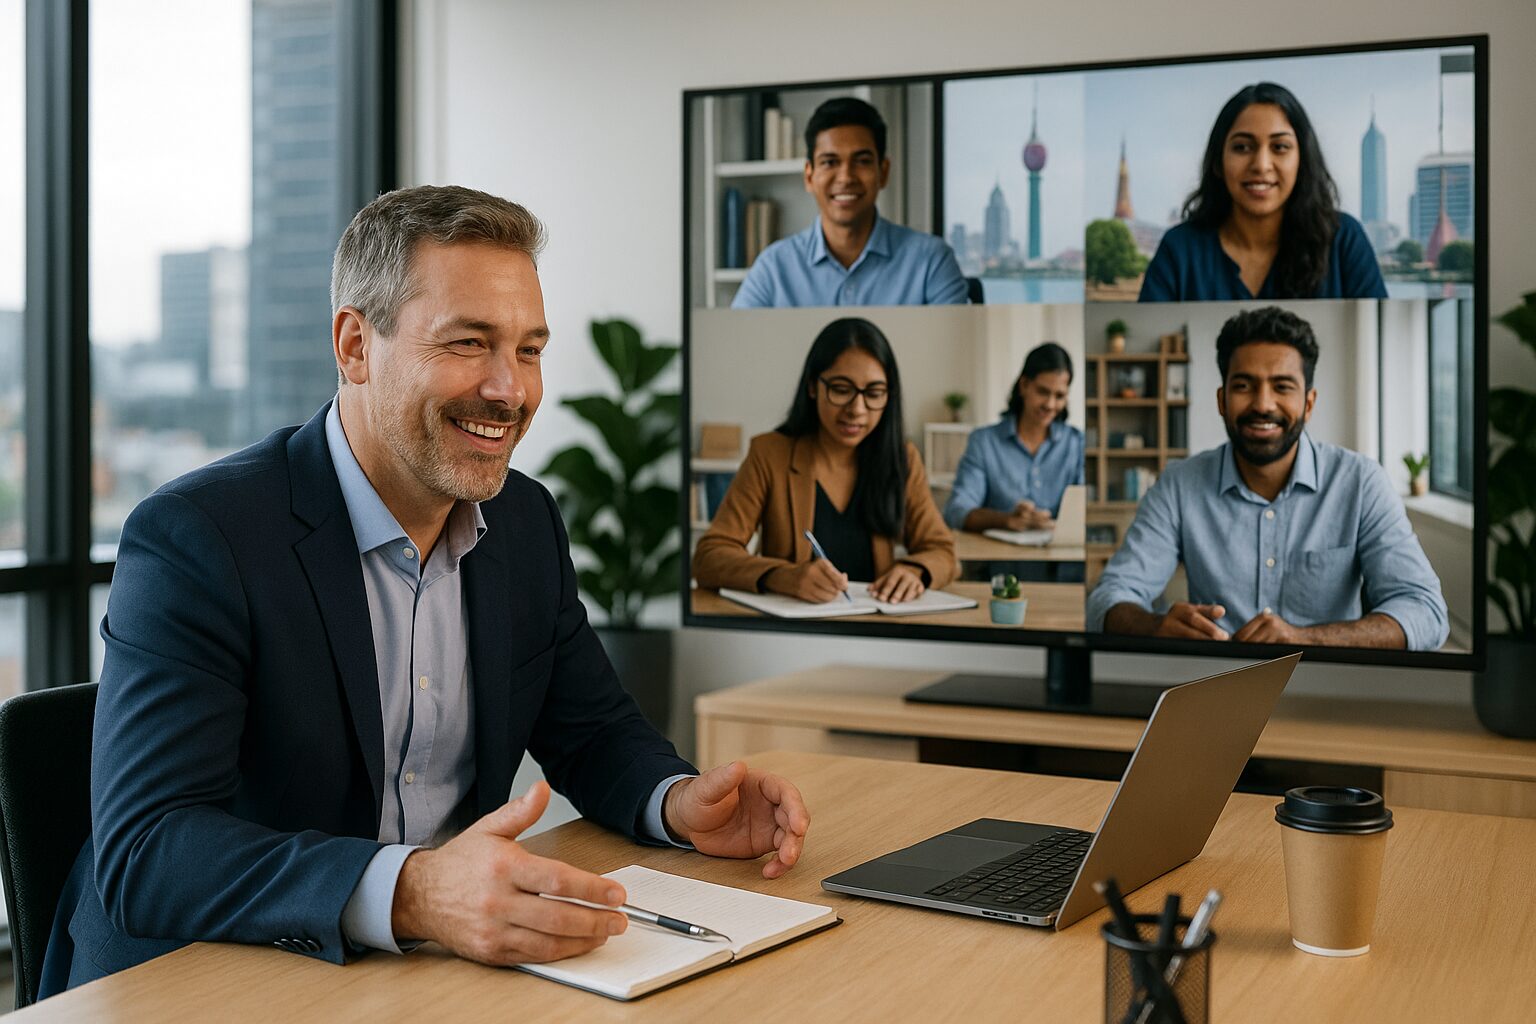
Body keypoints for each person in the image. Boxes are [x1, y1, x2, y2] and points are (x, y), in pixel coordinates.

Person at [42, 186, 810, 995]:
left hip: (420, 975)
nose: (509, 390)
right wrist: (413, 891)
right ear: (354, 347)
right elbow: (150, 849)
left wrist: (680, 803)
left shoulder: (522, 522)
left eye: (530, 350)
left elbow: (592, 732)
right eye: (469, 343)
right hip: (205, 979)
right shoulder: (201, 537)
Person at [1086, 306, 1447, 650]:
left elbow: (1426, 613)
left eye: (1282, 386)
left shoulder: (1360, 482)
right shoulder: (1180, 484)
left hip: (1331, 686)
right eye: (1243, 386)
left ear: (1308, 402)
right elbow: (1109, 597)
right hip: (1214, 687)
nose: (1263, 404)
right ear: (1222, 400)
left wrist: (1305, 640)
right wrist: (1155, 627)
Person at [693, 317, 957, 603]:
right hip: (794, 630)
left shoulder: (902, 459)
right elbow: (709, 556)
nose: (857, 409)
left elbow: (942, 551)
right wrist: (783, 577)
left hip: (878, 628)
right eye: (841, 390)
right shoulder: (769, 454)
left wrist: (914, 570)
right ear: (812, 387)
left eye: (873, 393)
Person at [1138, 82, 1387, 302]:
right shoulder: (1180, 249)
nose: (1261, 165)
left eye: (1280, 147)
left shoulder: (1344, 240)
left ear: (1303, 160)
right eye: (1243, 147)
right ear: (1218, 162)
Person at [732, 97, 967, 308]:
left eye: (862, 161)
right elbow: (738, 351)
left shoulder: (932, 262)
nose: (846, 177)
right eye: (829, 162)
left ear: (883, 172)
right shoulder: (773, 267)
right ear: (809, 176)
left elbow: (954, 354)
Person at [943, 342, 1085, 534]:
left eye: (1059, 396)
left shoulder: (1077, 445)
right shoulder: (984, 442)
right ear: (1024, 385)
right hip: (1000, 561)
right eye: (1043, 392)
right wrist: (1005, 519)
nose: (1050, 405)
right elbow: (956, 511)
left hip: (1062, 563)